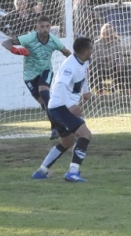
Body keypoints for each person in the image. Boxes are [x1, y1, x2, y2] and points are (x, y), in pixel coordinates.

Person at [32, 36, 94, 183]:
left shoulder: (84, 61)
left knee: (67, 142)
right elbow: (60, 86)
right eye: (91, 48)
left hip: (58, 108)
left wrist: (86, 91)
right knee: (85, 135)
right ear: (85, 51)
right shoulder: (69, 66)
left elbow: (83, 75)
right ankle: (73, 172)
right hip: (60, 108)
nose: (93, 50)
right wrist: (71, 105)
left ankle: (41, 171)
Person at [2, 15, 72, 140]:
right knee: (44, 104)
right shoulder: (29, 38)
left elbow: (67, 53)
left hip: (46, 71)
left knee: (45, 93)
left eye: (47, 26)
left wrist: (77, 66)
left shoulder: (54, 41)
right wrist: (15, 50)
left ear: (50, 27)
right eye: (42, 26)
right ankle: (58, 123)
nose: (45, 29)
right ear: (37, 27)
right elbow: (6, 42)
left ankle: (55, 128)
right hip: (29, 76)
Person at [91, 22, 125, 93]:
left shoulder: (116, 43)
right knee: (96, 71)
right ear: (102, 33)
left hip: (113, 66)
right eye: (106, 33)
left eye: (109, 33)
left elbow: (120, 56)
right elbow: (93, 57)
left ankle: (119, 90)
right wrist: (103, 58)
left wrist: (119, 63)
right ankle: (100, 91)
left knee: (122, 69)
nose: (108, 35)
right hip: (101, 67)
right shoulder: (97, 43)